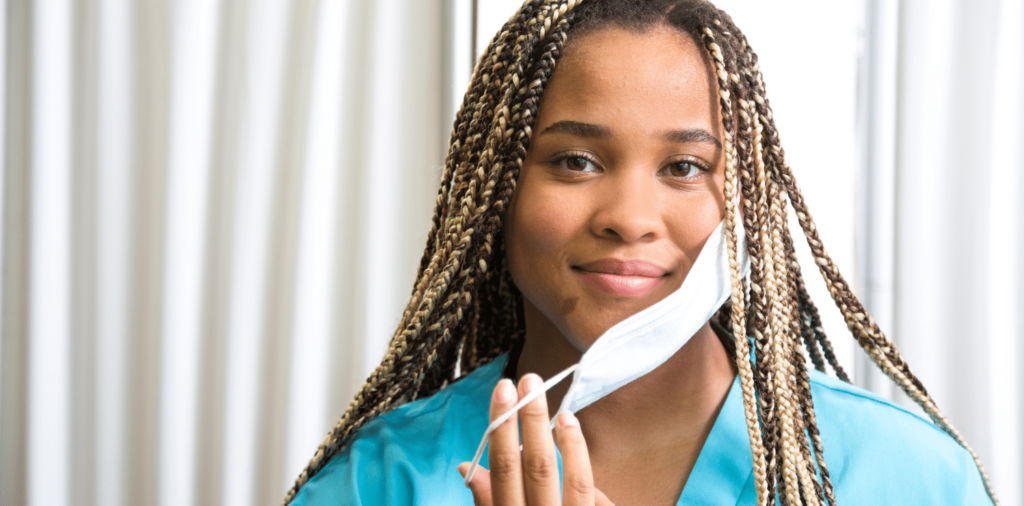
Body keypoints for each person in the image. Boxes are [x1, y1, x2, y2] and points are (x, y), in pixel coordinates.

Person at [283, 1, 998, 504]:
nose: (629, 219)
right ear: (495, 192)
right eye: (575, 161)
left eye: (685, 167)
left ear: (745, 201)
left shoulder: (914, 477)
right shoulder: (381, 482)